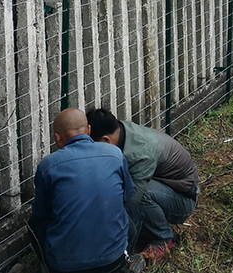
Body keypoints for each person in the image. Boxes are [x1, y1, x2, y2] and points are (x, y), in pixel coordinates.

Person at [86, 107, 199, 270]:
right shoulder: (120, 131)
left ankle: (162, 238)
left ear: (105, 140)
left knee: (139, 194)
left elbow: (133, 201)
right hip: (165, 186)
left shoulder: (140, 153)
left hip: (183, 199)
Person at [29, 108, 133, 273]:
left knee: (34, 223)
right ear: (89, 130)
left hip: (66, 266)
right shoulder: (115, 154)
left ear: (57, 137)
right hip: (112, 260)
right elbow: (127, 195)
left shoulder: (48, 166)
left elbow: (42, 212)